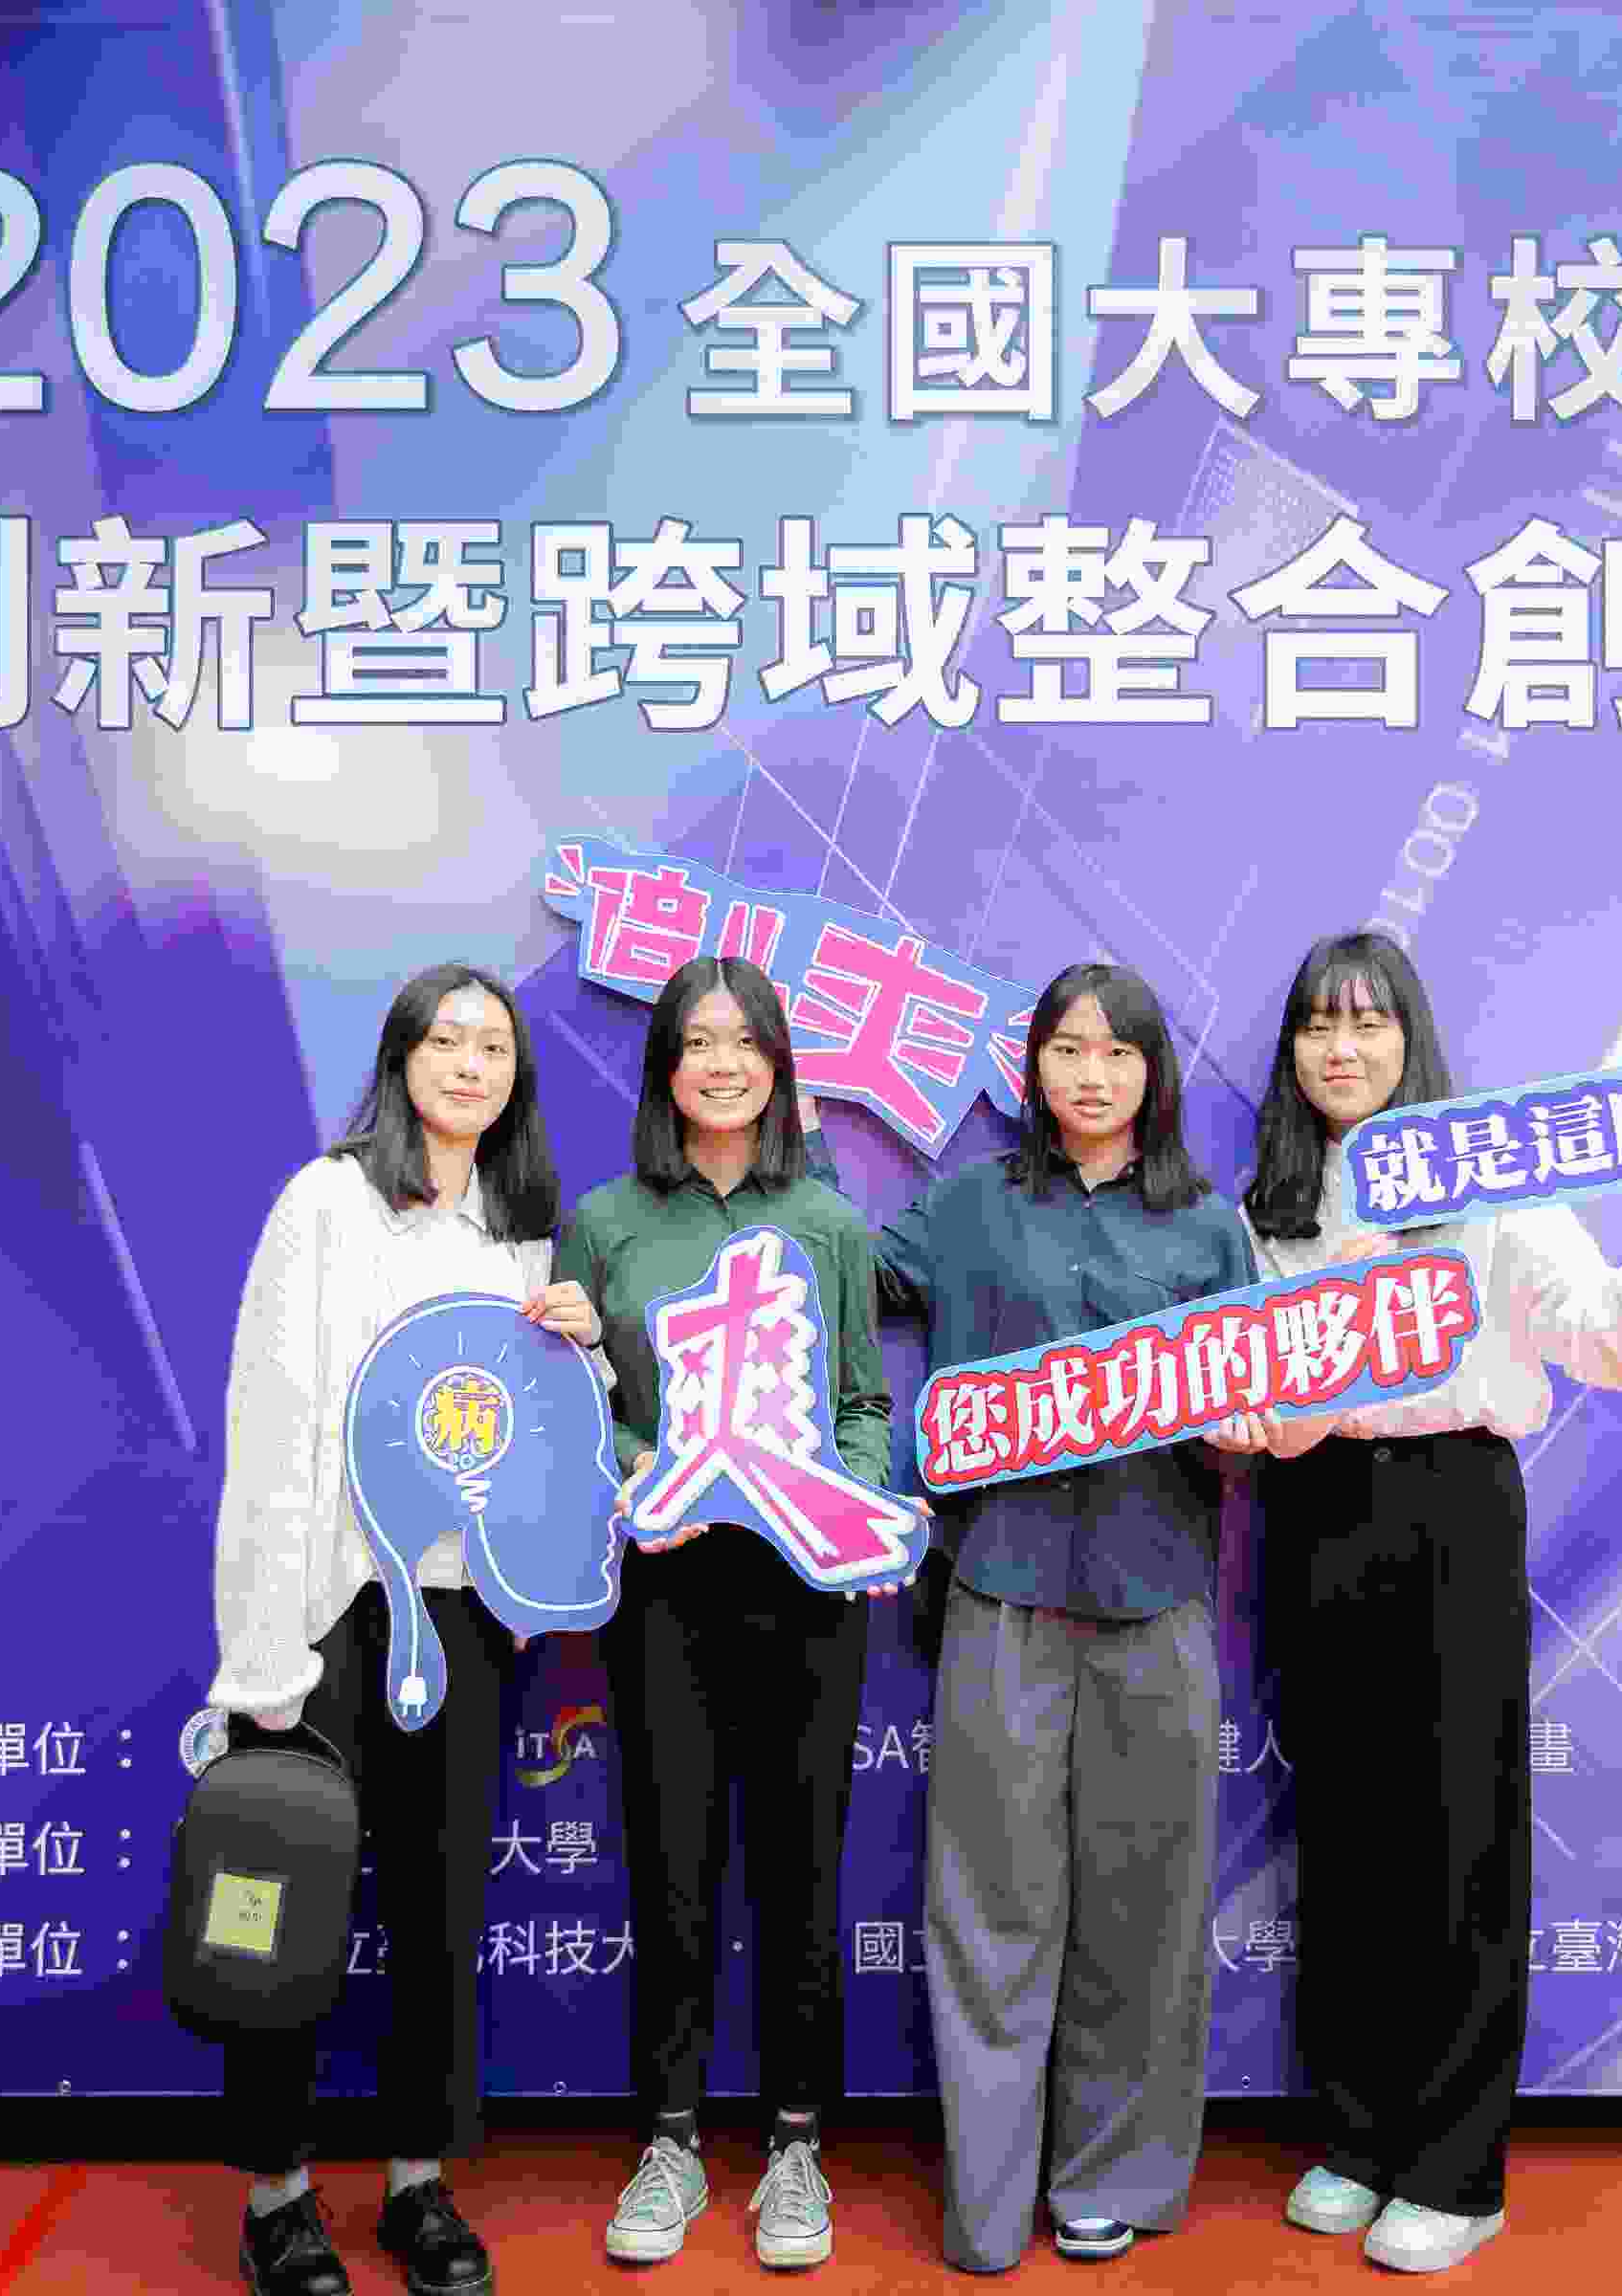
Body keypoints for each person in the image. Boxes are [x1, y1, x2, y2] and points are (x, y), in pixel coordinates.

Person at [1239, 930, 1622, 2277]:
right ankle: (1362, 2136)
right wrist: (1260, 1410)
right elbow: (1269, 1397)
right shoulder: (1274, 1204)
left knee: (1457, 1836)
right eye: (1319, 1025)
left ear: (1412, 1038)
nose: (1343, 1049)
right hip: (1318, 1514)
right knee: (1348, 1835)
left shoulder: (1489, 1177)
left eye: (1369, 1022)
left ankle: (1456, 2166)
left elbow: (1608, 1339)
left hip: (1451, 1505)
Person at [205, 961, 603, 2296]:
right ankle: (275, 2195)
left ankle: (418, 2183)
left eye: (494, 1047)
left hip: (461, 1612)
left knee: (440, 1910)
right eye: (446, 1040)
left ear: (516, 1080)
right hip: (328, 1610)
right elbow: (272, 1425)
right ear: (400, 1059)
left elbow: (544, 1437)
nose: (470, 1065)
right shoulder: (326, 1204)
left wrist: (585, 1347)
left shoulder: (520, 1230)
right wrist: (265, 1648)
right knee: (289, 1908)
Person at [871, 960, 1274, 2274]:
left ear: (1153, 1075)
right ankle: (987, 2197)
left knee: (1146, 1903)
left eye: (1118, 1052)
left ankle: (1110, 2174)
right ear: (1031, 1065)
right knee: (989, 1902)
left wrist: (1244, 1430)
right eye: (1067, 1049)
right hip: (1001, 1590)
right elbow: (838, 1284)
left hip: (1158, 1598)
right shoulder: (970, 1207)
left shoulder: (1208, 1230)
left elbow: (1249, 1410)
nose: (1091, 1075)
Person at [551, 956, 904, 2273]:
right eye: (697, 1041)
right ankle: (670, 2139)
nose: (721, 1063)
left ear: (777, 1067)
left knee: (802, 1869)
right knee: (672, 1863)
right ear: (664, 1067)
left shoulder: (829, 1224)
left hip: (806, 1594)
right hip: (667, 1589)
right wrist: (639, 1467)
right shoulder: (606, 1223)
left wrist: (845, 1508)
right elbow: (573, 1406)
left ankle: (797, 2146)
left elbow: (862, 1402)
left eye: (744, 1042)